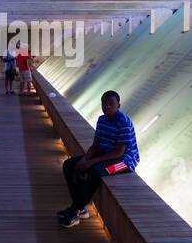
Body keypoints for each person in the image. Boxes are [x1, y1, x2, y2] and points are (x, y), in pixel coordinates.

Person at [58, 90, 139, 228]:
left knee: (95, 171)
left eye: (111, 104)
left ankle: (75, 210)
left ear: (118, 105)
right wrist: (85, 159)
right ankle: (79, 207)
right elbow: (96, 145)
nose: (107, 106)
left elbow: (119, 153)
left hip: (124, 161)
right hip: (106, 154)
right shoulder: (102, 120)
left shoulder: (123, 123)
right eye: (104, 103)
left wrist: (91, 162)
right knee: (69, 164)